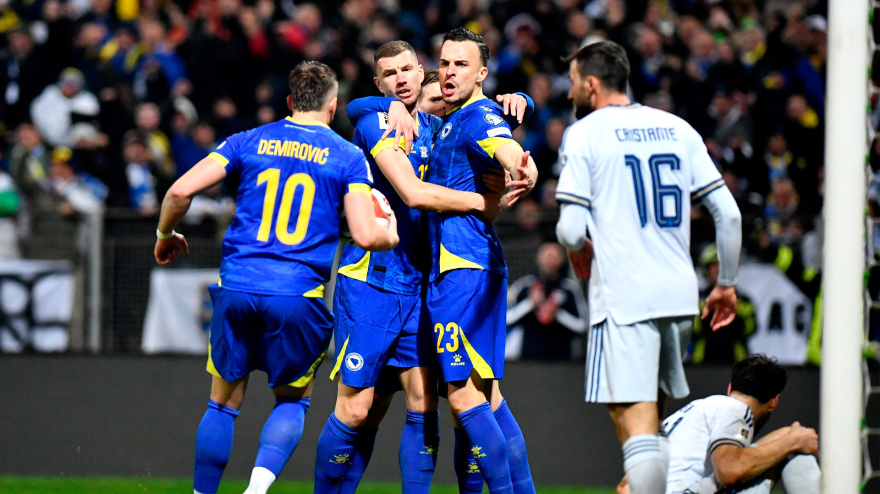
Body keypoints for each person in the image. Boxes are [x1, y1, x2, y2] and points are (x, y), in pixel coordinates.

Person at [152, 60, 399, 494]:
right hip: (297, 294)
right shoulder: (347, 156)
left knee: (223, 402)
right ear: (332, 105)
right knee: (292, 399)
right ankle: (256, 490)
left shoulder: (248, 140)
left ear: (289, 101)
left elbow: (178, 191)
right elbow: (363, 233)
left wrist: (165, 233)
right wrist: (390, 234)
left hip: (238, 285)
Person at [315, 40, 531, 494]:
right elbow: (411, 191)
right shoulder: (378, 120)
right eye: (390, 74)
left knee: (429, 404)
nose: (403, 80)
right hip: (372, 278)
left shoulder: (438, 127)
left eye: (410, 70)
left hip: (422, 283)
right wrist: (481, 202)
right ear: (380, 83)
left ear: (421, 71)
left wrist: (521, 100)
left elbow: (480, 119)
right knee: (359, 410)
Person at [554, 40, 743, 494]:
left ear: (592, 84)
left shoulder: (585, 133)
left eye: (575, 83)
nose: (569, 93)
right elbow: (730, 215)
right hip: (679, 297)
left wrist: (577, 247)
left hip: (625, 297)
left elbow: (568, 229)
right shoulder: (677, 128)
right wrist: (727, 285)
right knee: (647, 418)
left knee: (632, 419)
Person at [426, 27, 538, 494]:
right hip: (479, 265)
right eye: (446, 63)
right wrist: (525, 101)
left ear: (482, 74)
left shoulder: (476, 116)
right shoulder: (456, 115)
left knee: (462, 395)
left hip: (461, 268)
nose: (450, 73)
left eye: (461, 65)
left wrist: (521, 168)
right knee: (488, 399)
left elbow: (504, 146)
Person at [618, 354, 821, 494]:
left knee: (789, 438)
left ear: (730, 387)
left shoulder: (688, 414)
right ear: (773, 402)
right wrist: (793, 442)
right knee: (793, 440)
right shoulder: (734, 408)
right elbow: (729, 470)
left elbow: (624, 487)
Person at [506, 241, 588, 361]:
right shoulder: (524, 285)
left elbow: (582, 326)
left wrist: (558, 314)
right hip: (527, 360)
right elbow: (507, 319)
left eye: (554, 256)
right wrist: (530, 304)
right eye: (547, 255)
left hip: (563, 361)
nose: (550, 260)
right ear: (538, 257)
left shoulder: (570, 288)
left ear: (562, 259)